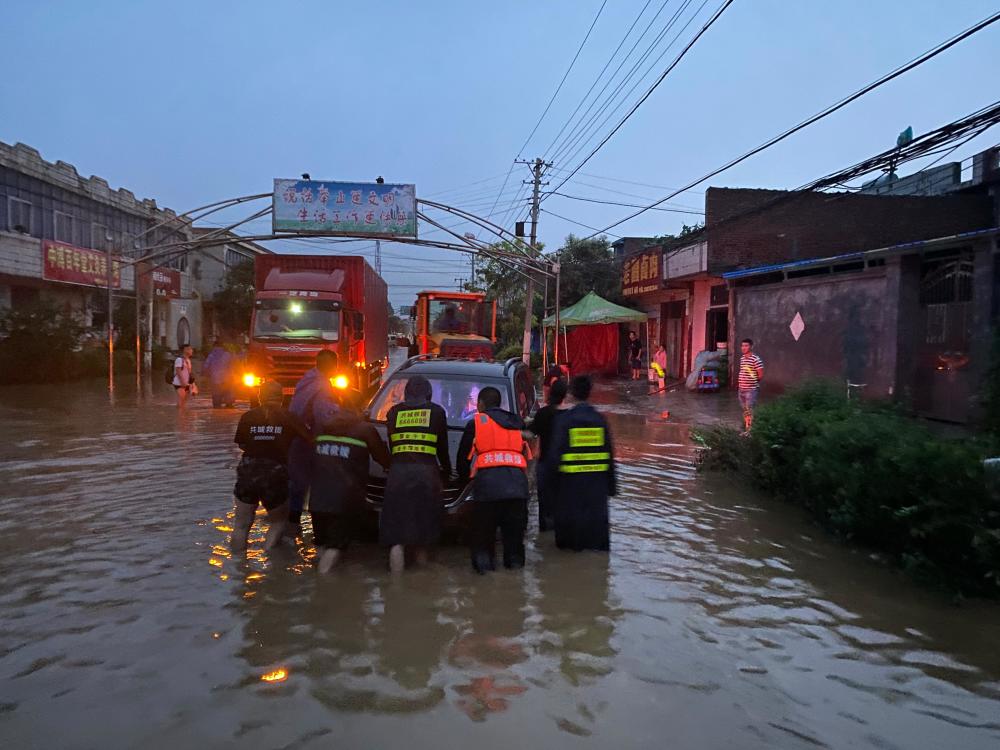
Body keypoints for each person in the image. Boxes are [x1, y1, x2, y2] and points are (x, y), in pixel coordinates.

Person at [309, 398, 390, 573]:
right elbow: (383, 458)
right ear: (360, 410)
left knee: (322, 546)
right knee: (336, 547)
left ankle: (317, 586)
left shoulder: (322, 428)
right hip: (344, 502)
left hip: (316, 500)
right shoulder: (365, 429)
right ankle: (321, 589)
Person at [457, 386, 531, 573]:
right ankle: (514, 590)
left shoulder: (476, 423)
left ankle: (485, 588)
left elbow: (462, 462)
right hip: (517, 491)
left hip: (487, 492)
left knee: (482, 546)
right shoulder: (516, 422)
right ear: (499, 404)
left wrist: (464, 482)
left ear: (480, 404)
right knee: (514, 550)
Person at [231, 381, 312, 552]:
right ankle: (269, 561)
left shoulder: (247, 416)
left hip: (248, 470)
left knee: (241, 524)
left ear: (259, 397)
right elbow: (310, 439)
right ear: (282, 398)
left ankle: (238, 565)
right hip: (275, 472)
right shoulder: (289, 417)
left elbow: (242, 444)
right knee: (278, 522)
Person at [381, 375, 451, 573]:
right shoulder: (437, 412)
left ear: (406, 393)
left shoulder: (393, 412)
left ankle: (396, 584)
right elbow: (442, 450)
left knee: (396, 535)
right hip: (427, 477)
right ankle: (422, 579)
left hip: (397, 475)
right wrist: (447, 472)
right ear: (428, 394)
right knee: (424, 528)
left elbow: (392, 447)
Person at [547, 375, 617, 552]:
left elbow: (555, 458)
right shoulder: (600, 421)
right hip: (596, 493)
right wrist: (612, 488)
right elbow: (609, 457)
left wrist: (550, 490)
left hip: (570, 491)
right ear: (589, 393)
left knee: (570, 547)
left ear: (571, 393)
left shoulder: (564, 421)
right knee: (596, 547)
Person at [286, 350, 342, 538]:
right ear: (332, 366)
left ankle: (291, 529)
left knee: (297, 485)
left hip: (296, 439)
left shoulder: (306, 379)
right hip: (309, 441)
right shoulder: (322, 386)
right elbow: (324, 418)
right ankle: (303, 530)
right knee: (315, 486)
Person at [526, 378, 567, 532]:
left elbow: (531, 434)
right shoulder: (569, 415)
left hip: (545, 465)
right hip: (564, 466)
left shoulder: (543, 413)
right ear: (565, 395)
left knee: (545, 506)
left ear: (550, 393)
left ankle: (544, 534)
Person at [738, 338, 764, 435]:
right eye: (742, 346)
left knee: (749, 410)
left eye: (746, 345)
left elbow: (760, 375)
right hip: (741, 389)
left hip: (751, 390)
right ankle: (746, 429)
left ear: (751, 347)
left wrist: (752, 383)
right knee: (745, 410)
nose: (743, 348)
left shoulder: (756, 360)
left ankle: (749, 431)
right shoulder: (742, 359)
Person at [203, 338, 236, 408]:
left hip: (215, 380)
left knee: (216, 399)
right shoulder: (228, 354)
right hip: (227, 379)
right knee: (228, 397)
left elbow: (206, 366)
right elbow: (233, 366)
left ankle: (217, 410)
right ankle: (228, 406)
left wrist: (206, 376)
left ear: (214, 346)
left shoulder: (211, 355)